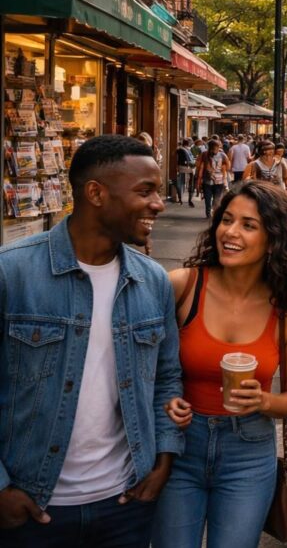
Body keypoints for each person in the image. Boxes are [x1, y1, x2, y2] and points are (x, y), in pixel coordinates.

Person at [0, 135, 183, 547]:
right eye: (145, 190)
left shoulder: (151, 280)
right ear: (96, 193)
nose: (159, 203)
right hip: (29, 507)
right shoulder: (12, 274)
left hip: (125, 505)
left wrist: (163, 462)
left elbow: (167, 377)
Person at [154, 181, 287, 548]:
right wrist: (165, 401)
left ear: (273, 239)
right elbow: (147, 370)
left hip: (248, 455)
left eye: (248, 225)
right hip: (180, 448)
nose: (230, 232)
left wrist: (264, 402)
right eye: (226, 220)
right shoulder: (181, 287)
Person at [196, 138, 230, 218]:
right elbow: (198, 165)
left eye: (216, 147)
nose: (215, 149)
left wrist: (223, 168)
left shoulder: (222, 155)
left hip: (218, 181)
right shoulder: (205, 154)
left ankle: (213, 212)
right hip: (208, 180)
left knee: (216, 199)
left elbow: (228, 166)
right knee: (209, 198)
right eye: (214, 148)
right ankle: (209, 213)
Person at [174, 137, 196, 207]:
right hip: (187, 168)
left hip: (182, 167)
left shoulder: (182, 149)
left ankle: (182, 199)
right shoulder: (185, 150)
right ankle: (189, 199)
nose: (191, 143)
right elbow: (189, 160)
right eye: (190, 142)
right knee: (189, 183)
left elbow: (176, 158)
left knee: (181, 183)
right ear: (188, 143)